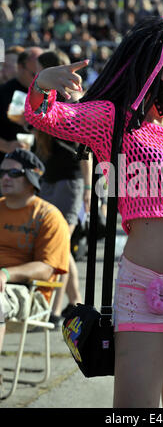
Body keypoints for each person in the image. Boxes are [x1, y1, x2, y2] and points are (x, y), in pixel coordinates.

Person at [24, 15, 163, 408]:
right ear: (146, 69)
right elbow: (45, 116)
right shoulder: (113, 121)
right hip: (144, 284)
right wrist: (44, 83)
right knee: (134, 409)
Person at [0, 149, 70, 388]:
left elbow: (46, 269)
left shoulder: (49, 216)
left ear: (31, 178)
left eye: (13, 172)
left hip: (29, 292)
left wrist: (6, 274)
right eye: (2, 172)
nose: (5, 178)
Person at [33, 49, 91, 327]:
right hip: (50, 179)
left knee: (59, 244)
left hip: (71, 181)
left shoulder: (73, 97)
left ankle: (54, 312)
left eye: (41, 70)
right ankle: (74, 300)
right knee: (60, 245)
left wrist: (90, 189)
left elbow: (85, 151)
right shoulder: (45, 96)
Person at [0, 47, 44, 165]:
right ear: (20, 67)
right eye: (34, 74)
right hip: (8, 166)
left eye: (43, 74)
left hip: (39, 164)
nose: (38, 79)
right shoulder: (4, 92)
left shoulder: (47, 91)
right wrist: (6, 145)